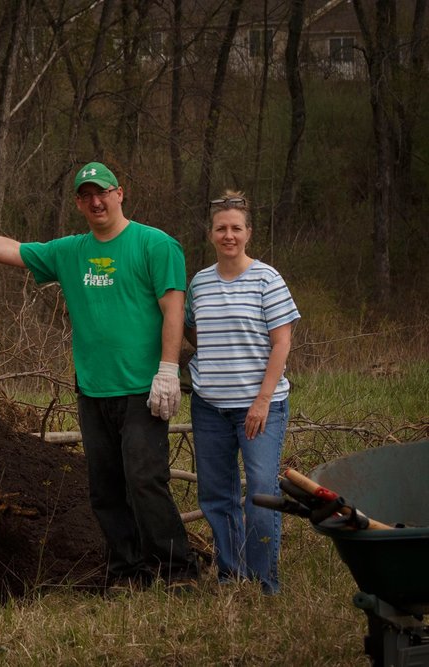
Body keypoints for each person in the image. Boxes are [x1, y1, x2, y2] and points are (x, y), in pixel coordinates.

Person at [0, 162, 199, 589]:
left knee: (146, 480)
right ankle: (127, 572)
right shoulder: (70, 251)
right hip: (93, 389)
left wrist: (168, 369)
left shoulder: (155, 244)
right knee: (105, 488)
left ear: (119, 193)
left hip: (142, 389)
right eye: (86, 195)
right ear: (79, 202)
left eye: (103, 192)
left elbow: (174, 308)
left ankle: (177, 570)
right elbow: (15, 251)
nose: (96, 201)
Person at [184, 191, 300, 595]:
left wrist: (263, 400)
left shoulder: (267, 278)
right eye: (221, 228)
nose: (228, 235)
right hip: (210, 407)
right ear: (211, 233)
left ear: (248, 233)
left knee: (262, 492)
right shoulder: (199, 282)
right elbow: (193, 333)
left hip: (259, 407)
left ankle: (266, 581)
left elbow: (282, 343)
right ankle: (232, 576)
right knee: (217, 495)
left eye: (236, 228)